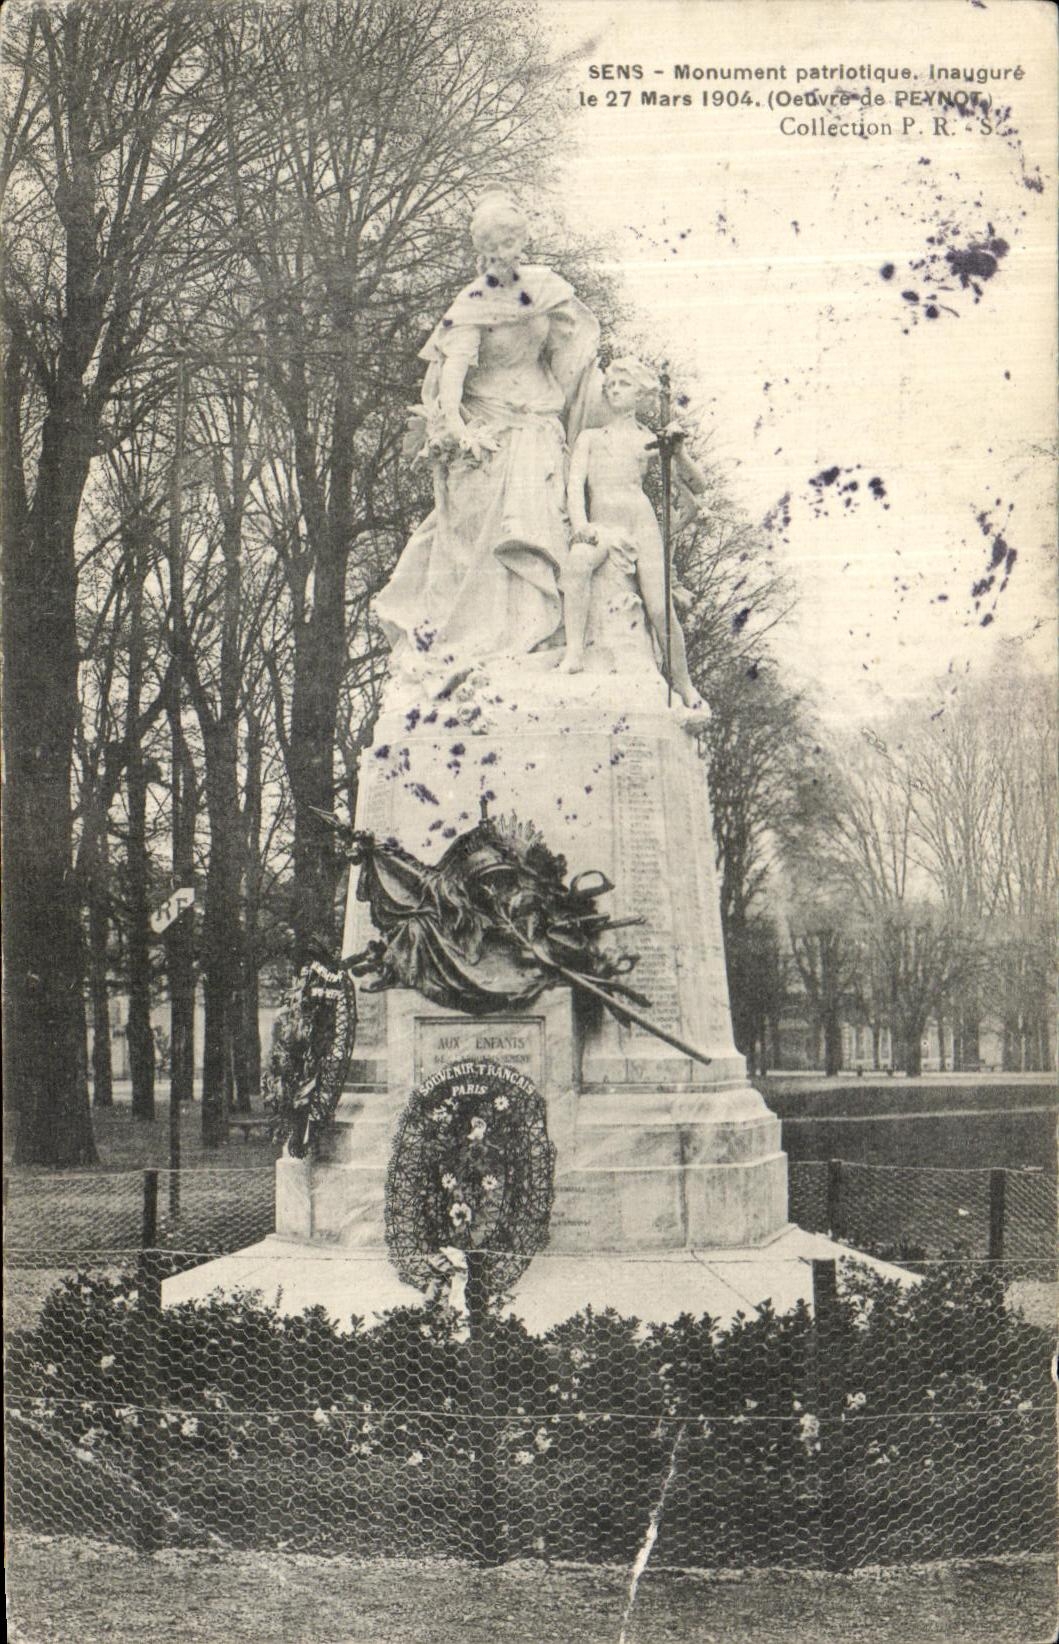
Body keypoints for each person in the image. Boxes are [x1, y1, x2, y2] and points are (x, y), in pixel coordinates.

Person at [374, 194, 601, 681]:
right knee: (485, 537)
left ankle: (539, 633)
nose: (507, 253)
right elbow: (451, 381)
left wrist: (591, 407)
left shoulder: (547, 288)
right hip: (490, 429)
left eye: (513, 241)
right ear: (482, 248)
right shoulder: (470, 305)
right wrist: (459, 433)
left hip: (540, 420)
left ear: (523, 240)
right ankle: (494, 639)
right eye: (496, 244)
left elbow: (573, 358)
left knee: (542, 519)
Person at [560, 357, 707, 710]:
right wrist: (580, 526)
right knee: (578, 563)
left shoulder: (649, 441)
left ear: (641, 394)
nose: (613, 389)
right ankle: (574, 652)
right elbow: (574, 485)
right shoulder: (591, 437)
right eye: (610, 384)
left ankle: (685, 685)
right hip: (602, 525)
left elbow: (699, 485)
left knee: (660, 608)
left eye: (623, 384)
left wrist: (680, 452)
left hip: (639, 523)